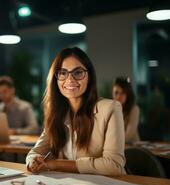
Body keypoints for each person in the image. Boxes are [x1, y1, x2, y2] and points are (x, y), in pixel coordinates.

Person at [26, 47, 126, 175]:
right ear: (55, 79)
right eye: (62, 73)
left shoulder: (111, 108)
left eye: (78, 72)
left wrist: (56, 164)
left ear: (89, 76)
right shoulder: (56, 113)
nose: (70, 80)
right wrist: (33, 161)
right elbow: (35, 152)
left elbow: (114, 166)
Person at [112, 77, 140, 144]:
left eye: (122, 93)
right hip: (116, 147)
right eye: (116, 93)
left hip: (133, 146)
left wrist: (111, 143)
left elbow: (128, 135)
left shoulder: (134, 109)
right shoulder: (110, 109)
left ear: (128, 94)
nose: (119, 96)